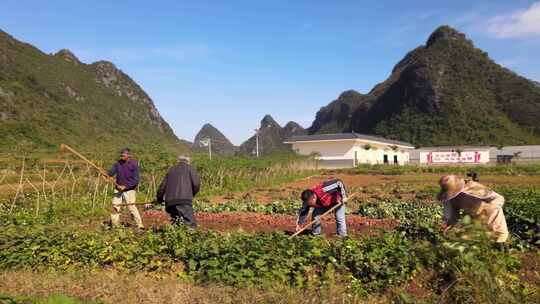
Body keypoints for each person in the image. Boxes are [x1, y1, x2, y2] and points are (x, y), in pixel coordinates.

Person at [438, 174, 509, 243]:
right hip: (476, 222)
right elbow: (453, 214)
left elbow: (499, 198)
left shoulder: (474, 188)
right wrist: (449, 225)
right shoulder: (452, 198)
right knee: (478, 244)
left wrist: (489, 207)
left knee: (497, 241)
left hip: (494, 219)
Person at [146, 155, 200, 228]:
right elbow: (196, 184)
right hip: (184, 201)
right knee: (190, 224)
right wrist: (191, 194)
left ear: (178, 161)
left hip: (170, 202)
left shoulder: (171, 170)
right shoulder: (190, 169)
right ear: (188, 162)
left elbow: (162, 187)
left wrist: (159, 199)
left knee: (176, 222)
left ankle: (176, 237)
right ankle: (191, 238)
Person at [108, 148, 144, 229]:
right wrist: (106, 174)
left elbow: (136, 180)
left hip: (129, 190)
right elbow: (111, 172)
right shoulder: (118, 163)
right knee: (115, 206)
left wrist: (126, 186)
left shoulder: (134, 164)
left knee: (131, 207)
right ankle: (115, 225)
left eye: (123, 155)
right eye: (121, 155)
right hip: (118, 189)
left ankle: (140, 225)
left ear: (128, 155)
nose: (122, 157)